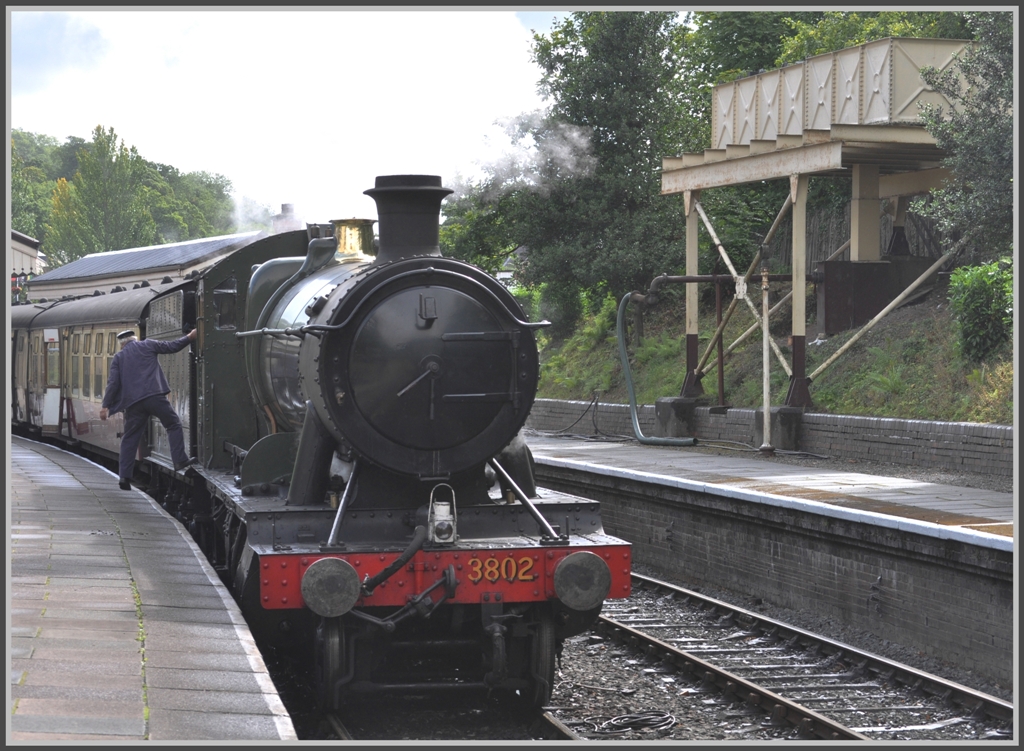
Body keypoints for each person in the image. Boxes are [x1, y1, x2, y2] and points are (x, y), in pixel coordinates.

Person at [100, 328, 197, 490]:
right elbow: (172, 347)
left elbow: (113, 383)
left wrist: (105, 406)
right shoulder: (148, 345)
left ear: (122, 344)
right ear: (135, 339)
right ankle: (179, 460)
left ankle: (124, 477)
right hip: (154, 397)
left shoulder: (118, 357)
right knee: (173, 424)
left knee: (130, 437)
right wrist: (189, 337)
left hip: (134, 404)